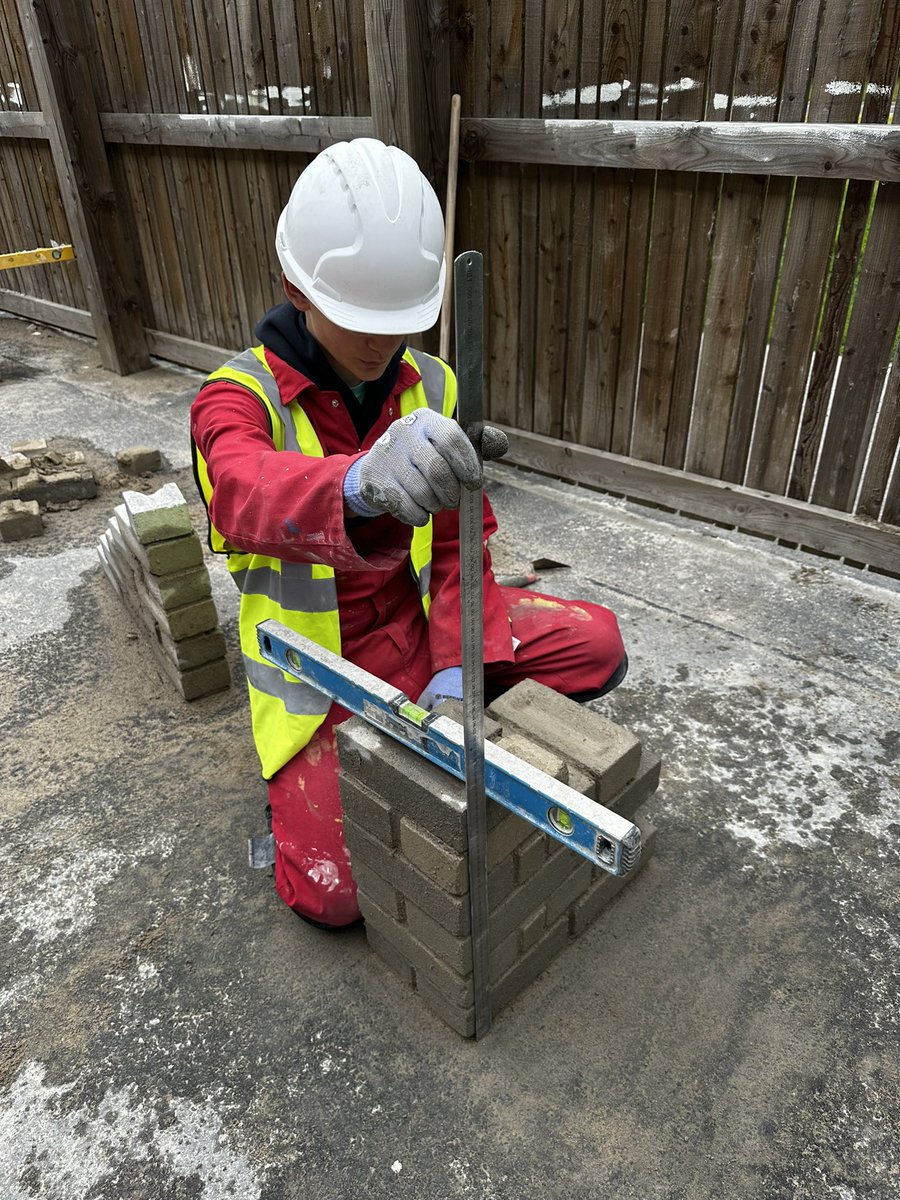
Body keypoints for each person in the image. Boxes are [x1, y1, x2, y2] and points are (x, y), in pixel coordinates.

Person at [190, 138, 627, 929]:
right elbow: (241, 496)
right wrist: (355, 485)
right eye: (359, 319)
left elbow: (464, 544)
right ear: (298, 285)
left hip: (424, 629)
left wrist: (461, 668)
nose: (380, 345)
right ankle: (302, 793)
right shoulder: (236, 397)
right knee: (334, 895)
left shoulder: (434, 382)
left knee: (597, 645)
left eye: (397, 322)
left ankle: (448, 704)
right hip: (323, 666)